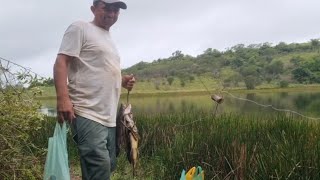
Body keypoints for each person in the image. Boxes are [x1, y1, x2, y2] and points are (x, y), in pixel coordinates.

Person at [53, 0, 135, 179]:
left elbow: (98, 70)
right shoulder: (80, 28)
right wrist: (63, 99)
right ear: (93, 9)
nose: (111, 13)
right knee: (99, 166)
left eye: (116, 10)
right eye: (106, 8)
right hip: (87, 111)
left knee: (108, 165)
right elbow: (61, 62)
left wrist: (122, 81)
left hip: (109, 117)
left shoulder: (109, 39)